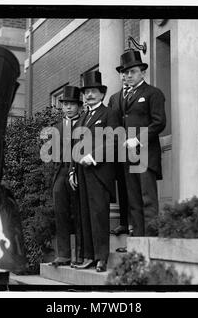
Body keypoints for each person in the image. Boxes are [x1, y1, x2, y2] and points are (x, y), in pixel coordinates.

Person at [68, 71, 117, 272]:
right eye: (86, 92)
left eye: (93, 92)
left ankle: (101, 258)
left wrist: (94, 156)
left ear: (102, 94)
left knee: (98, 214)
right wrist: (72, 170)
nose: (89, 95)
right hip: (81, 173)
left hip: (100, 171)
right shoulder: (82, 118)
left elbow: (115, 139)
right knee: (85, 215)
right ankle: (88, 256)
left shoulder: (109, 113)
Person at [117, 49, 166, 237]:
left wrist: (137, 139)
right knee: (134, 201)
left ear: (142, 72)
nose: (129, 75)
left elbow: (159, 122)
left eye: (133, 71)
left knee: (148, 200)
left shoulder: (153, 93)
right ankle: (138, 244)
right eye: (126, 72)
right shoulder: (123, 97)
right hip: (128, 156)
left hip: (145, 154)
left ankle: (152, 243)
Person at [49, 85, 83, 267]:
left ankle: (79, 254)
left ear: (79, 106)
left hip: (79, 171)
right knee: (60, 212)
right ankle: (63, 254)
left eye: (72, 104)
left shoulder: (85, 123)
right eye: (65, 104)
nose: (68, 107)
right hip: (61, 172)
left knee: (78, 212)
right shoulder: (57, 127)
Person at [107, 66, 131, 240]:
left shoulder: (142, 93)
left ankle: (136, 223)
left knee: (136, 188)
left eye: (128, 73)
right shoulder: (114, 98)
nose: (124, 76)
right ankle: (123, 222)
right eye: (122, 73)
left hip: (137, 147)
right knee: (122, 186)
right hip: (118, 150)